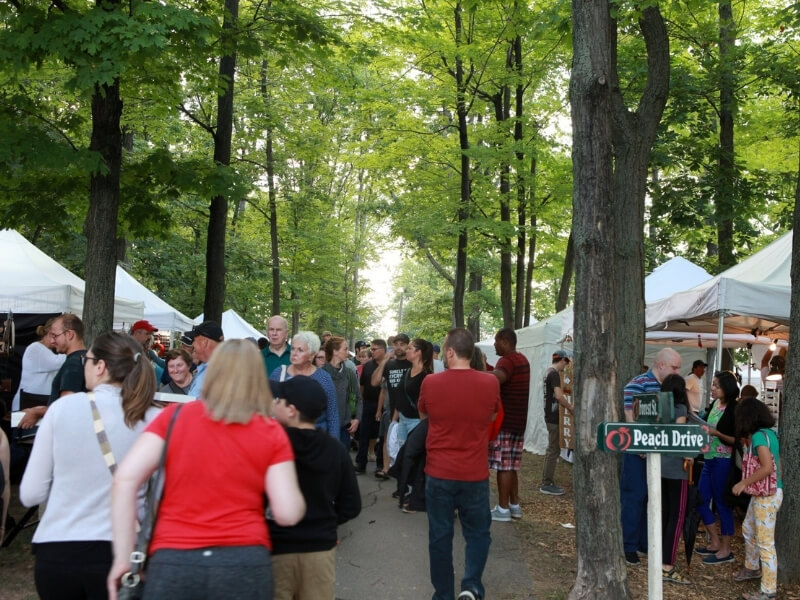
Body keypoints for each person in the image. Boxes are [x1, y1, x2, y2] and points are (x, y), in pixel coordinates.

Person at [108, 339, 305, 600]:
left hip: (174, 560)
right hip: (244, 561)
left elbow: (125, 480)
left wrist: (123, 557)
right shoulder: (271, 432)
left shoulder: (174, 417)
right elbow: (287, 514)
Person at [19, 332, 158, 600]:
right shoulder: (153, 417)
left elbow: (30, 494)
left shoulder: (62, 409)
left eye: (87, 359)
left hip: (58, 550)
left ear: (101, 366)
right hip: (125, 548)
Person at [418, 327, 501, 600]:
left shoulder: (431, 383)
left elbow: (423, 414)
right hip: (474, 473)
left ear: (450, 352)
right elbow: (491, 418)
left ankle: (443, 593)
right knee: (478, 533)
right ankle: (471, 586)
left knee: (440, 536)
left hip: (439, 471)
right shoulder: (491, 383)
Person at [268, 375, 361, 600]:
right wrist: (328, 520)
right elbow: (352, 505)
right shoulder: (335, 450)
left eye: (278, 400)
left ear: (291, 410)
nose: (273, 403)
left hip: (277, 547)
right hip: (320, 548)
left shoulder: (271, 446)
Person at [621, 347, 681, 565]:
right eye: (674, 367)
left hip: (658, 455)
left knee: (652, 497)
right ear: (661, 364)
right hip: (638, 453)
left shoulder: (669, 388)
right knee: (634, 497)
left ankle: (644, 543)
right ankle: (628, 545)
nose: (677, 372)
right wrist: (641, 446)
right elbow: (630, 417)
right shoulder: (636, 384)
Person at [732, 397, 783, 600]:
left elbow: (767, 467)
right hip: (767, 492)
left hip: (766, 496)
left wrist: (743, 483)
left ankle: (768, 590)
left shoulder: (760, 438)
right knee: (748, 528)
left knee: (765, 542)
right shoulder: (769, 434)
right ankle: (752, 568)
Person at [695, 370, 739, 565]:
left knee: (722, 504)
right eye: (712, 385)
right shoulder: (714, 405)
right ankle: (714, 541)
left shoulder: (734, 410)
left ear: (726, 389)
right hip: (709, 458)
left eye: (716, 386)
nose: (712, 389)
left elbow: (736, 440)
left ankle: (726, 548)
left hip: (723, 460)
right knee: (701, 500)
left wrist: (716, 433)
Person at [489, 328, 530, 522]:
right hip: (518, 421)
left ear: (504, 341)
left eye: (496, 341)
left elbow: (498, 378)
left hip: (505, 422)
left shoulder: (506, 361)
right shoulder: (521, 359)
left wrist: (480, 375)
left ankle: (503, 508)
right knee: (512, 465)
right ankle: (514, 505)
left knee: (503, 466)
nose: (495, 345)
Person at [269, 331, 339, 437]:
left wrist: (333, 447)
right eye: (293, 348)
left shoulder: (324, 378)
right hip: (283, 440)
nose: (294, 353)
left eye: (300, 350)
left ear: (311, 356)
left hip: (315, 442)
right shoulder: (278, 374)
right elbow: (267, 408)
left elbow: (332, 415)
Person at [658, 374, 691, 585]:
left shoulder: (658, 409)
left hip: (659, 467)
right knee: (677, 516)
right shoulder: (680, 410)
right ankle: (667, 565)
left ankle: (659, 558)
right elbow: (677, 437)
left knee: (664, 514)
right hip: (677, 469)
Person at [11, 317, 65, 412]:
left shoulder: (47, 351)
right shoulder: (36, 348)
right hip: (27, 405)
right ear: (50, 333)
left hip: (36, 402)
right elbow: (58, 362)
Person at [369, 333, 412, 445]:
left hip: (411, 415)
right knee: (389, 445)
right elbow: (374, 382)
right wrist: (384, 361)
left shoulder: (412, 364)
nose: (398, 347)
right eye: (396, 344)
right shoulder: (390, 364)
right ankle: (387, 464)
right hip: (392, 412)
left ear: (408, 346)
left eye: (402, 344)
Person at [321, 336, 362, 448]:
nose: (348, 352)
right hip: (324, 428)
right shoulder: (321, 374)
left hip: (344, 428)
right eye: (345, 349)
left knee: (342, 462)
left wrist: (357, 419)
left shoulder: (349, 373)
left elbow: (358, 398)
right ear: (335, 351)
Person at [541, 349, 572, 496]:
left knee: (552, 449)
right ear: (562, 360)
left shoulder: (548, 371)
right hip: (553, 417)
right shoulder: (554, 374)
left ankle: (547, 481)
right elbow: (559, 396)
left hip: (550, 415)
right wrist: (571, 407)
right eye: (566, 362)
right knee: (553, 450)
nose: (566, 366)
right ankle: (546, 483)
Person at [356, 339, 386, 474]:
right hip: (368, 403)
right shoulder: (368, 366)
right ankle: (361, 463)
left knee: (382, 435)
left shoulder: (390, 365)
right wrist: (362, 401)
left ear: (383, 349)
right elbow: (362, 385)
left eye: (374, 349)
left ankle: (381, 465)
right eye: (371, 349)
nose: (371, 352)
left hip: (385, 405)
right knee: (364, 434)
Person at [396, 338, 434, 443]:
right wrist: (395, 419)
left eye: (409, 348)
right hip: (402, 419)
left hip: (416, 421)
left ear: (418, 352)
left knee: (412, 454)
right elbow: (400, 395)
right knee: (401, 453)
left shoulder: (427, 375)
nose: (406, 351)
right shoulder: (408, 371)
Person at [186, 320, 224, 397]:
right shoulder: (208, 367)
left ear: (204, 342)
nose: (192, 344)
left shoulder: (220, 372)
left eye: (194, 340)